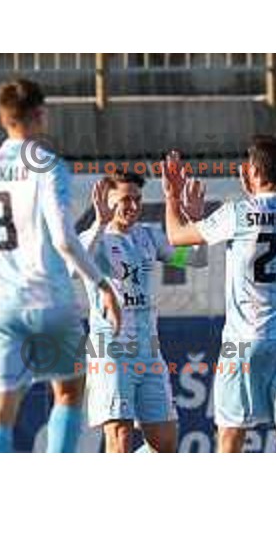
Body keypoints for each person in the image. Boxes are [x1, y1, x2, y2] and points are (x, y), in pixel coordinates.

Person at [0, 79, 121, 453]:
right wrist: (102, 284)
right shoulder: (47, 167)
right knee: (70, 390)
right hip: (51, 303)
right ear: (39, 114)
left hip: (0, 309)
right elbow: (62, 239)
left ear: (3, 118)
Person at [162, 136, 276, 453]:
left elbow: (177, 237)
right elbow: (267, 218)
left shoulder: (237, 213)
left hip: (243, 341)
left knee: (231, 435)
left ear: (253, 171)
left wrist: (173, 196)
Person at [80, 173, 206, 452]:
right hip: (110, 348)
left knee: (165, 445)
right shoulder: (94, 238)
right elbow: (73, 268)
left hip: (148, 350)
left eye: (138, 199)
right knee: (120, 439)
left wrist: (197, 225)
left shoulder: (149, 236)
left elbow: (197, 258)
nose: (134, 206)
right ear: (106, 201)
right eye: (126, 199)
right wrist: (99, 223)